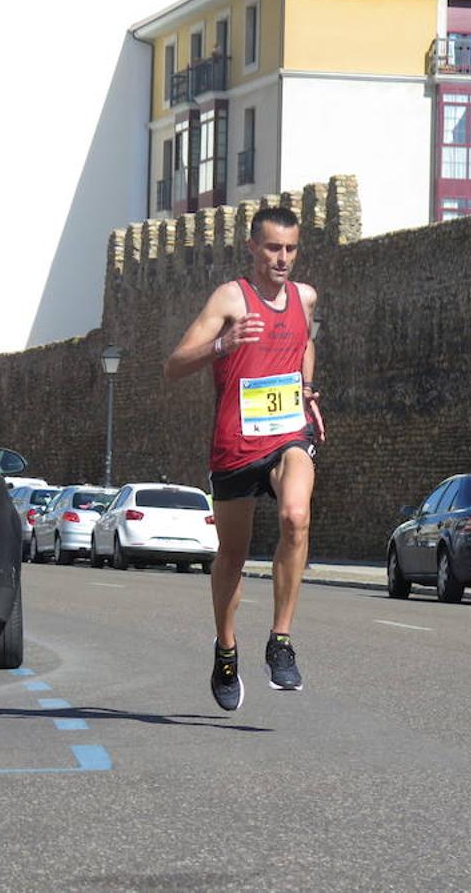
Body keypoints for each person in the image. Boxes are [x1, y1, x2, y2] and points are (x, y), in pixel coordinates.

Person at [164, 206, 325, 711]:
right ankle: (226, 649)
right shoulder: (230, 298)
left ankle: (280, 641)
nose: (283, 259)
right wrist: (222, 342)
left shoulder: (305, 297)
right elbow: (173, 366)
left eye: (291, 249)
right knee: (232, 556)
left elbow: (305, 344)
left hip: (288, 435)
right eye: (273, 248)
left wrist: (307, 388)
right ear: (253, 247)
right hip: (235, 442)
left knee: (295, 517)